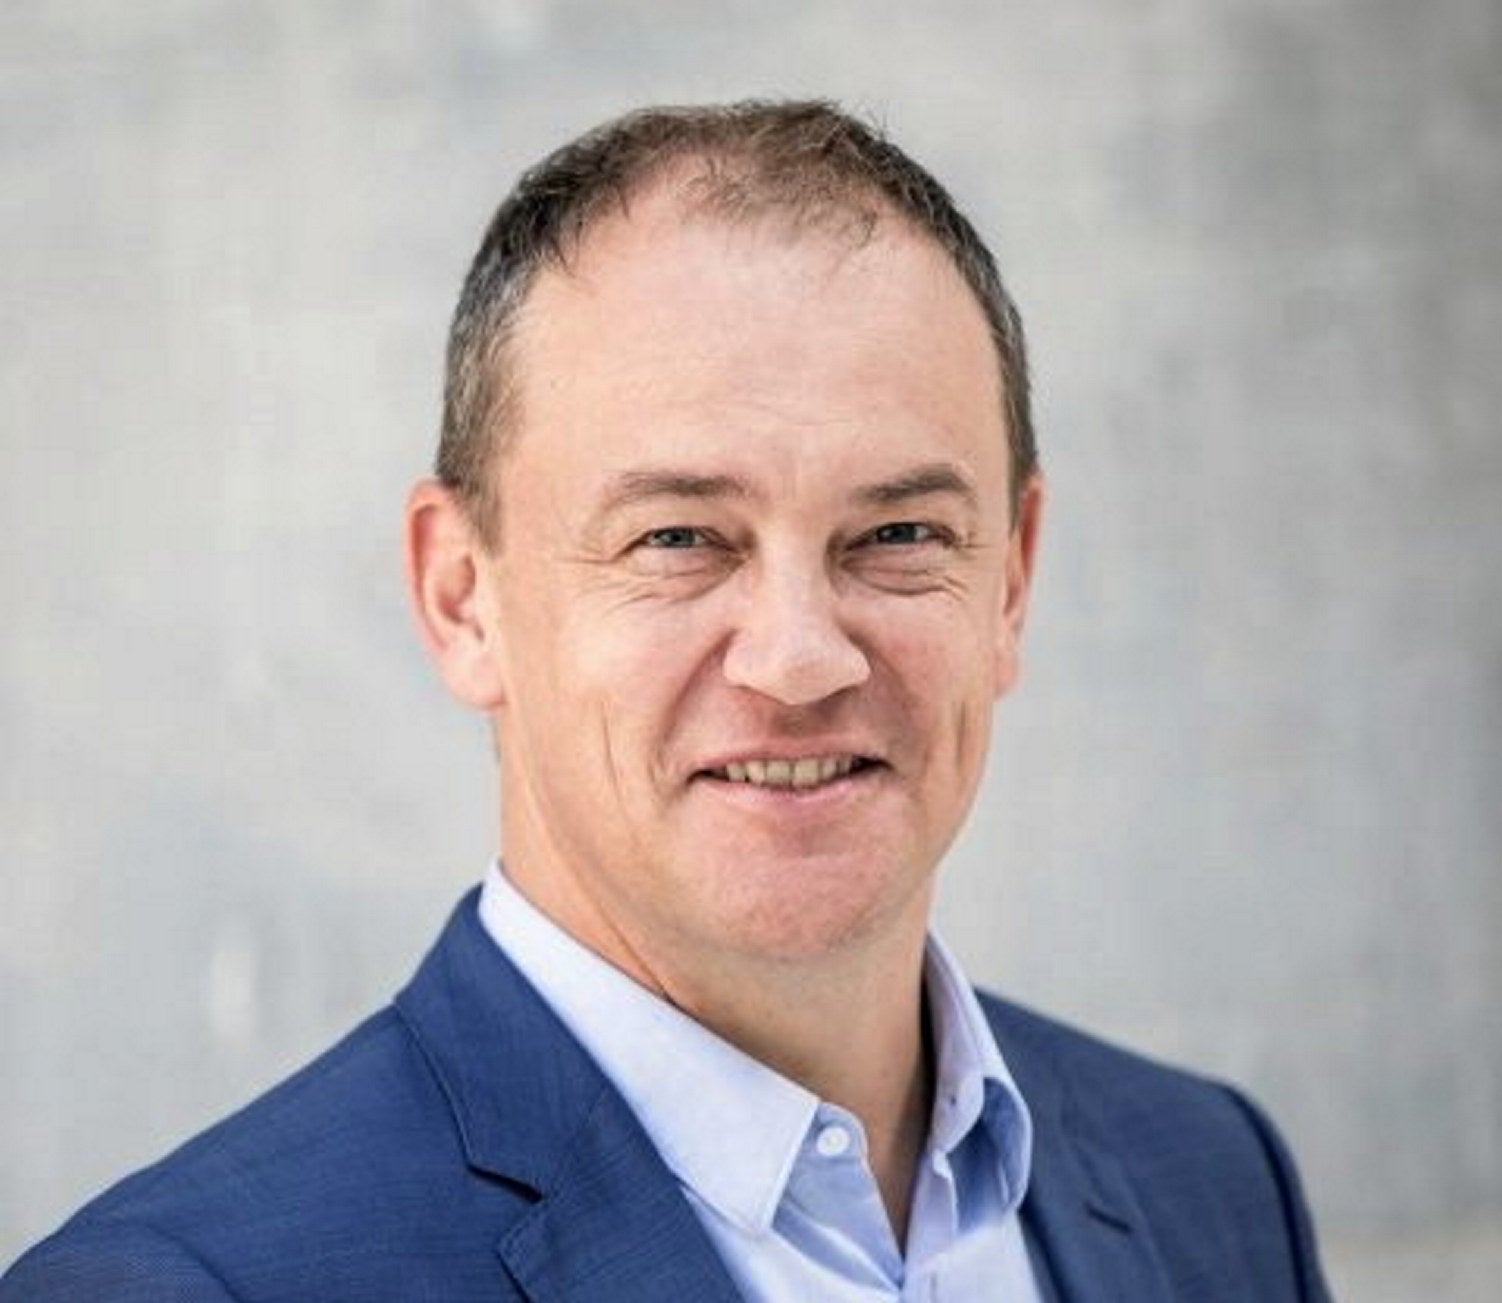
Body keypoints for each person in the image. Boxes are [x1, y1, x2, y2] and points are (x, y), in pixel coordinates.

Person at [2, 100, 1331, 1301]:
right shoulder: (180, 1289)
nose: (801, 659)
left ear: (1013, 585)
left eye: (900, 535)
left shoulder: (1212, 1183)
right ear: (463, 599)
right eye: (680, 539)